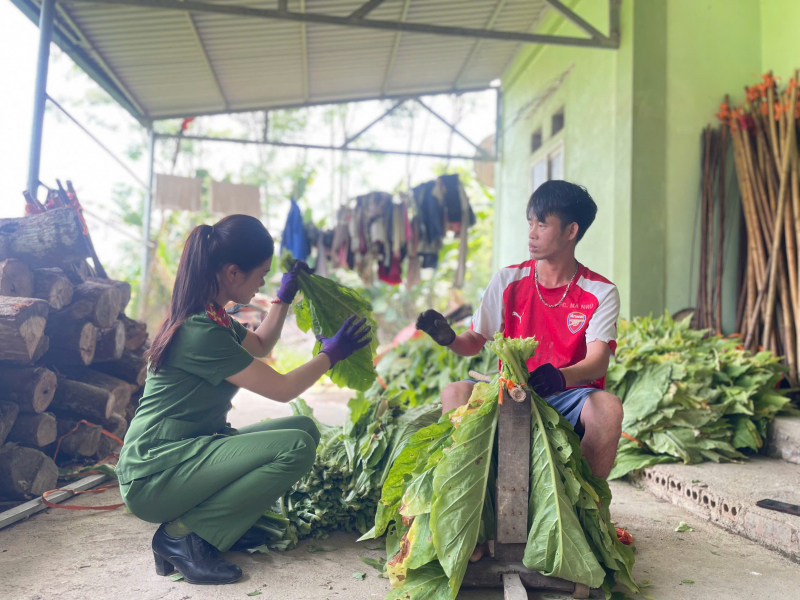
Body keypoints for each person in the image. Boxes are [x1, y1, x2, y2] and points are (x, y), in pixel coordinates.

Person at [117, 214, 371, 585]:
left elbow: (262, 345)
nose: (263, 282)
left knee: (304, 428)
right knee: (296, 446)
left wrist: (282, 299)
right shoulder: (200, 331)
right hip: (154, 474)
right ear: (233, 273)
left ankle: (225, 524)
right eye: (261, 274)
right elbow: (283, 389)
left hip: (184, 455)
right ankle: (185, 536)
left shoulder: (212, 316)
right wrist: (331, 353)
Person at [416, 181, 623, 558]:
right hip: (507, 388)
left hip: (566, 393)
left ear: (571, 231)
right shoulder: (508, 280)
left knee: (608, 408)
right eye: (529, 222)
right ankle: (471, 522)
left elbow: (598, 360)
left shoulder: (600, 291)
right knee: (454, 393)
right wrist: (447, 336)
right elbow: (473, 341)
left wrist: (560, 377)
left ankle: (582, 516)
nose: (531, 233)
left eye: (542, 224)